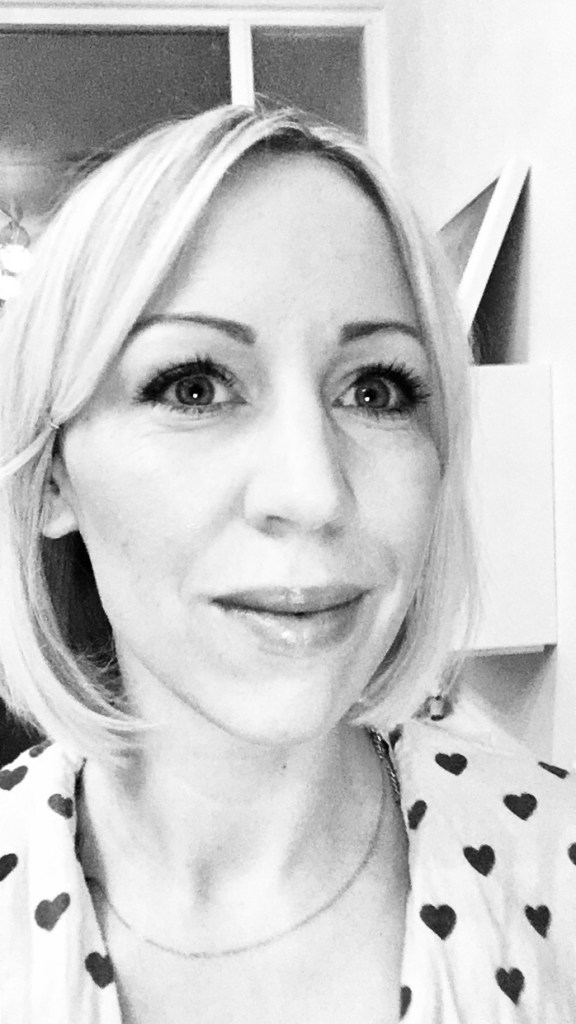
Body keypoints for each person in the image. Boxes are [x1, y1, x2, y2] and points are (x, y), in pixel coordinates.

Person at [0, 104, 573, 1024]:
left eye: (376, 390)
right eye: (195, 387)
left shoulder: (555, 865)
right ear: (52, 476)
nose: (314, 492)